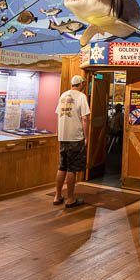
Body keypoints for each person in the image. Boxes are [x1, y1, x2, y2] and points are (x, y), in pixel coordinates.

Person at [55, 75, 90, 208]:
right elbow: (85, 118)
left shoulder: (63, 95)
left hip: (63, 136)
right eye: (83, 84)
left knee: (61, 166)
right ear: (80, 84)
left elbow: (59, 114)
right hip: (75, 137)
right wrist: (86, 136)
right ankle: (70, 199)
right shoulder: (81, 96)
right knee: (72, 169)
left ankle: (57, 196)